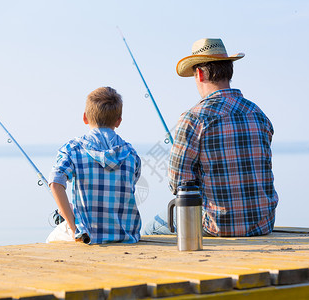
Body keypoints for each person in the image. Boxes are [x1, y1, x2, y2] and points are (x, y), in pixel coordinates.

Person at [143, 38, 278, 237]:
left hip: (216, 227)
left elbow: (177, 183)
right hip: (263, 224)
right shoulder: (258, 114)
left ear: (199, 73)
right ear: (229, 70)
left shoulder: (194, 118)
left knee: (150, 229)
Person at [46, 87, 142, 244]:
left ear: (85, 118)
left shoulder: (73, 149)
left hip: (88, 237)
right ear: (118, 121)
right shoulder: (131, 154)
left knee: (51, 239)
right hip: (126, 237)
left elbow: (56, 183)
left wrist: (74, 227)